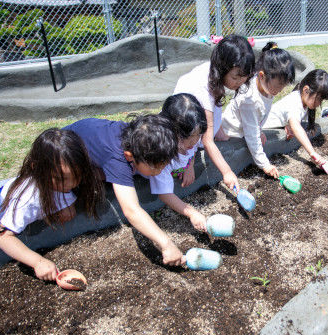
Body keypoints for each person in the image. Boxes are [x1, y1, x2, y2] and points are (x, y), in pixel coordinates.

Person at [63, 115, 186, 266]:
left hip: (86, 134)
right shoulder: (118, 159)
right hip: (63, 154)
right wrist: (166, 244)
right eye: (157, 167)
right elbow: (131, 210)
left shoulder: (138, 137)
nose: (160, 171)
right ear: (129, 157)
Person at [0, 128, 104, 281]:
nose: (70, 185)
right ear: (36, 168)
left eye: (76, 177)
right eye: (61, 179)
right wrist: (38, 261)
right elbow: (3, 236)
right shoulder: (28, 199)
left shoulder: (62, 180)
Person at [173, 34, 256, 192]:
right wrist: (227, 172)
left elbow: (212, 110)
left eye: (244, 78)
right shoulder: (202, 88)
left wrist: (220, 131)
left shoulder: (214, 73)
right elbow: (206, 140)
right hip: (183, 136)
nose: (240, 82)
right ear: (223, 68)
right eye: (235, 78)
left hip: (196, 125)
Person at [221, 42, 295, 179]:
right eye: (276, 87)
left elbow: (258, 117)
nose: (278, 92)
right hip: (229, 135)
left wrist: (259, 130)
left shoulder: (266, 87)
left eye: (281, 88)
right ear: (261, 76)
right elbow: (251, 136)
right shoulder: (250, 99)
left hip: (245, 129)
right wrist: (264, 164)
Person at [263, 69, 328, 177]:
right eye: (319, 99)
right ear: (306, 90)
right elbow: (296, 126)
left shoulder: (303, 100)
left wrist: (287, 124)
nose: (319, 103)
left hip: (274, 128)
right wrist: (313, 153)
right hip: (264, 130)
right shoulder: (294, 102)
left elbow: (291, 119)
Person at [152, 93, 208, 231]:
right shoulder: (160, 153)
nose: (193, 143)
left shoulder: (191, 135)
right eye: (185, 139)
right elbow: (164, 193)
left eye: (197, 136)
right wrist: (191, 212)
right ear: (168, 130)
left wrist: (190, 165)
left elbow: (193, 149)